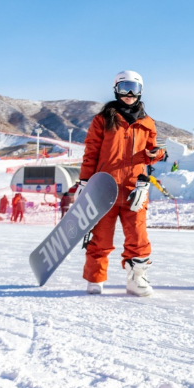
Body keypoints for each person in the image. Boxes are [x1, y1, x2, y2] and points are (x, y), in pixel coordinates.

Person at [79, 71, 163, 297]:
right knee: (100, 237)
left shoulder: (147, 123)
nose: (129, 93)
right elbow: (91, 153)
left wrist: (156, 154)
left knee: (138, 237)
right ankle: (96, 279)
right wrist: (85, 182)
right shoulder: (102, 120)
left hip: (134, 189)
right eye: (125, 87)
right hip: (104, 188)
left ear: (141, 91)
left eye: (134, 88)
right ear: (116, 89)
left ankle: (137, 278)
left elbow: (149, 154)